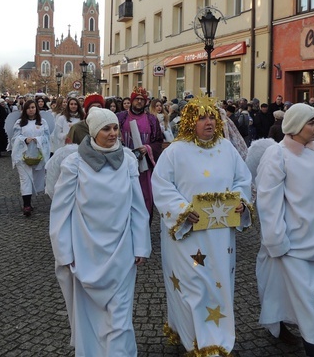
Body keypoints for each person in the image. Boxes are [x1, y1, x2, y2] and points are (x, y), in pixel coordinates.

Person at [152, 96, 252, 356]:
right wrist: (182, 211)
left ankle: (216, 338)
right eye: (202, 118)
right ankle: (196, 339)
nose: (209, 122)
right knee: (192, 286)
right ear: (190, 121)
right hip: (188, 238)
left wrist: (241, 201)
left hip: (220, 239)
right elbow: (161, 186)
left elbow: (243, 179)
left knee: (218, 285)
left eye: (212, 117)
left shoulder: (226, 149)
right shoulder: (175, 151)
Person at [50, 107, 151, 355]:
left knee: (120, 314)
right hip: (87, 251)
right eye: (106, 128)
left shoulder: (127, 159)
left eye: (115, 127)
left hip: (121, 249)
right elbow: (61, 210)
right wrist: (65, 252)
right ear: (94, 131)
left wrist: (140, 245)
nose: (113, 133)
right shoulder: (74, 162)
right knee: (90, 315)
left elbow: (137, 206)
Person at [255, 103, 314, 357]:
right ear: (295, 126)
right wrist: (276, 241)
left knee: (291, 290)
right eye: (311, 123)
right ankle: (313, 346)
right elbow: (268, 201)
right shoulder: (277, 155)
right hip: (289, 241)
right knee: (304, 296)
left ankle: (280, 322)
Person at [117, 87, 163, 221]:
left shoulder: (152, 120)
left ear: (146, 102)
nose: (139, 101)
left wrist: (147, 148)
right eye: (136, 99)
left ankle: (143, 229)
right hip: (123, 165)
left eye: (142, 99)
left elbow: (158, 141)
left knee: (145, 199)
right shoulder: (120, 117)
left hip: (144, 167)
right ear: (131, 100)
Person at [10, 100, 51, 216]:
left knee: (37, 179)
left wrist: (38, 140)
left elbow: (47, 137)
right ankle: (26, 205)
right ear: (25, 110)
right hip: (23, 156)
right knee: (25, 179)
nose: (31, 110)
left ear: (36, 108)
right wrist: (24, 140)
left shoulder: (42, 122)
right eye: (28, 108)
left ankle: (31, 198)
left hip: (38, 154)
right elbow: (15, 138)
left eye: (33, 107)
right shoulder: (19, 123)